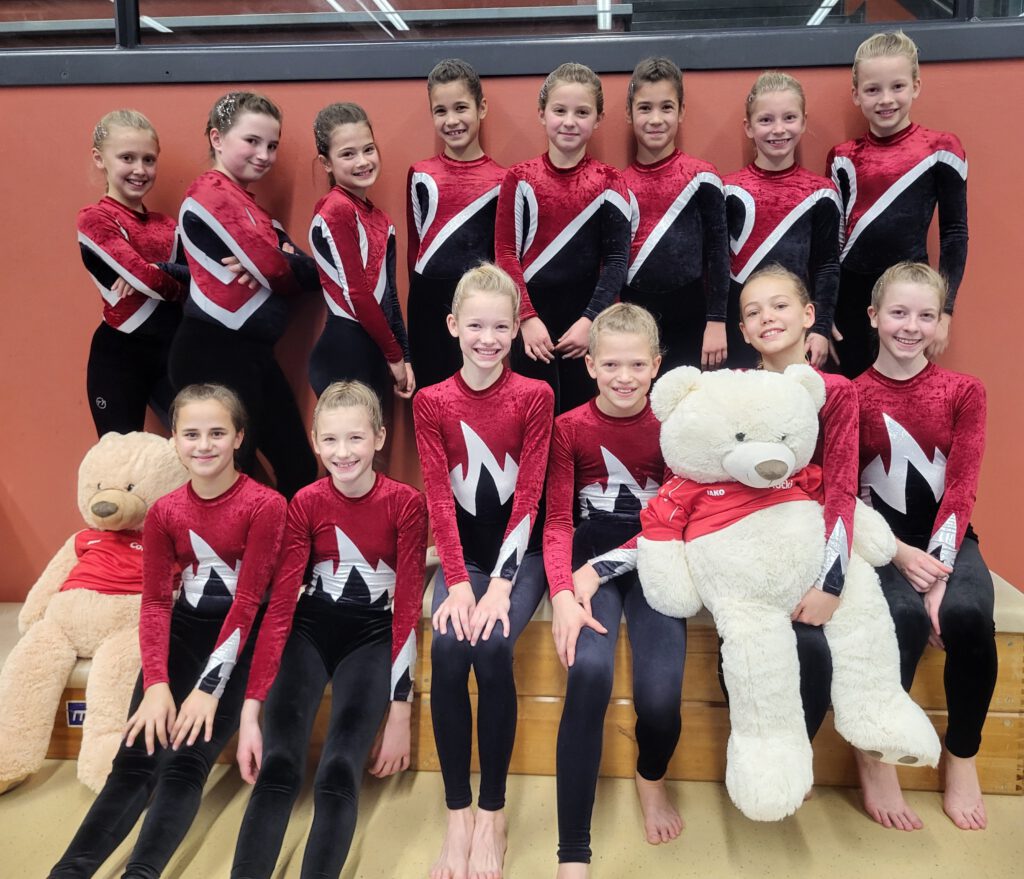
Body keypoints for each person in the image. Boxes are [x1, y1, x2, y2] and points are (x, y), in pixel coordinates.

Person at [48, 384, 287, 879]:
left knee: (186, 760)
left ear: (239, 437)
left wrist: (207, 690)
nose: (204, 445)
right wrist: (157, 684)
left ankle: (142, 872)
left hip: (242, 640)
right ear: (174, 439)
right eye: (191, 433)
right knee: (135, 757)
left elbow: (247, 604)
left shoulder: (265, 505)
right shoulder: (164, 511)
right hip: (186, 631)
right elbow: (157, 601)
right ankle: (69, 871)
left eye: (217, 432)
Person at [231, 381, 427, 879]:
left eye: (356, 438)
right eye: (331, 440)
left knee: (340, 766)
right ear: (316, 443)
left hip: (373, 634)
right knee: (279, 764)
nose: (344, 453)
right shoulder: (305, 502)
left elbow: (406, 607)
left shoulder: (406, 503)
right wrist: (250, 712)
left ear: (379, 438)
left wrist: (400, 713)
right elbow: (280, 609)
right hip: (311, 628)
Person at [413, 263, 553, 879]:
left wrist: (499, 584)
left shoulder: (535, 396)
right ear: (453, 326)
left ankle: (492, 812)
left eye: (500, 326)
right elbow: (440, 500)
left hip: (520, 557)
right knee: (448, 645)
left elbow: (530, 497)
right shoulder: (431, 402)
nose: (488, 339)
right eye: (476, 326)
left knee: (492, 646)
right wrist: (459, 582)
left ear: (516, 328)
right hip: (464, 556)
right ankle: (458, 815)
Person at [546, 304, 687, 878]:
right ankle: (573, 850)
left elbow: (677, 520)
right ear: (590, 366)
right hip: (586, 560)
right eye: (610, 364)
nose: (623, 377)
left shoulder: (676, 426)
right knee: (588, 674)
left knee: (660, 697)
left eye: (636, 365)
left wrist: (597, 570)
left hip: (658, 561)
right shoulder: (569, 428)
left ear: (656, 364)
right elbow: (557, 522)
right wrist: (561, 591)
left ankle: (650, 776)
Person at [854, 261, 994, 831]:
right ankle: (875, 754)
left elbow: (961, 486)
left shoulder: (964, 391)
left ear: (940, 322)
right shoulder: (849, 396)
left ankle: (962, 754)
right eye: (898, 313)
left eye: (926, 315)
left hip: (947, 538)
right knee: (902, 618)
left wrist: (938, 572)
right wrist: (897, 554)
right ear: (873, 316)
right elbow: (841, 494)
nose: (911, 327)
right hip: (880, 545)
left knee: (966, 616)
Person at [170, 91, 318, 499]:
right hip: (212, 350)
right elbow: (278, 269)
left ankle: (290, 545)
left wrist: (276, 262)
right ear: (217, 138)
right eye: (252, 141)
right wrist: (276, 262)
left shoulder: (256, 211)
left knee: (298, 466)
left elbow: (307, 271)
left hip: (252, 354)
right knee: (231, 476)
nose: (265, 155)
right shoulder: (208, 193)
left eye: (272, 145)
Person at [735, 263, 862, 738]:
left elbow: (842, 489)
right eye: (753, 312)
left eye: (780, 305)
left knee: (814, 651)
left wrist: (829, 584)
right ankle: (757, 748)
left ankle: (797, 751)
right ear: (743, 331)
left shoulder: (837, 392)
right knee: (750, 651)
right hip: (748, 543)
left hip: (813, 545)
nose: (767, 317)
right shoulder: (736, 388)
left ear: (809, 315)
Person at [828, 31, 968, 378]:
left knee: (904, 386)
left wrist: (944, 312)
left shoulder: (941, 150)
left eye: (898, 87)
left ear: (916, 86)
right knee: (851, 389)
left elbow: (954, 234)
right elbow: (832, 241)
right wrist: (824, 312)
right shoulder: (843, 157)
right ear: (856, 94)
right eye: (873, 90)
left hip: (911, 291)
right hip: (850, 294)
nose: (886, 99)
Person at [495, 62, 631, 414]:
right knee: (535, 418)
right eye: (560, 111)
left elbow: (617, 260)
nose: (570, 121)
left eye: (582, 112)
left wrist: (590, 321)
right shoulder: (519, 178)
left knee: (580, 419)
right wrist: (526, 318)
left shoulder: (610, 181)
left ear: (598, 119)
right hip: (532, 322)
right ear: (541, 113)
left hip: (584, 323)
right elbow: (506, 252)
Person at [77, 109, 184, 436]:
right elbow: (149, 279)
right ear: (100, 158)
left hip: (173, 351)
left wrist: (153, 273)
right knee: (121, 459)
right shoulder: (95, 219)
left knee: (204, 447)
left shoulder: (168, 225)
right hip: (119, 356)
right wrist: (157, 277)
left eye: (148, 160)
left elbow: (199, 283)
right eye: (127, 158)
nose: (140, 169)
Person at [723, 72, 841, 370]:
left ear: (803, 121)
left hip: (795, 326)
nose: (778, 129)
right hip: (742, 326)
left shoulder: (821, 193)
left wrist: (821, 326)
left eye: (789, 118)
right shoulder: (728, 190)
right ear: (748, 127)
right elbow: (716, 266)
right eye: (766, 120)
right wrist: (715, 323)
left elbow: (827, 265)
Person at [621, 58, 730, 371]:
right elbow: (611, 262)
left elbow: (718, 255)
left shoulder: (703, 177)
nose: (656, 119)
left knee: (688, 397)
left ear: (681, 111)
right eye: (645, 108)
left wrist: (717, 320)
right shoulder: (617, 184)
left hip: (691, 313)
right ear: (629, 113)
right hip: (634, 314)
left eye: (666, 107)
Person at [407, 58, 506, 390]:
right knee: (432, 395)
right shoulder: (421, 174)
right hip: (426, 301)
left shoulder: (503, 180)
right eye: (440, 111)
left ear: (481, 108)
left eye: (461, 108)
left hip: (479, 304)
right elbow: (415, 249)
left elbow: (502, 256)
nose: (451, 120)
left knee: (480, 391)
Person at [308, 103, 414, 401]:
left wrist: (404, 356)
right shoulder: (337, 209)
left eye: (368, 149)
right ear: (326, 162)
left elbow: (390, 297)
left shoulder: (380, 219)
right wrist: (395, 355)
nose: (363, 161)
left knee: (373, 432)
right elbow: (357, 292)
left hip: (373, 352)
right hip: (345, 352)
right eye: (348, 154)